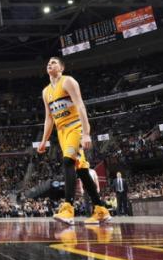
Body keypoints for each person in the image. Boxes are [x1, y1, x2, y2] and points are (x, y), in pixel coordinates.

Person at [38, 57, 111, 225]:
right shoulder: (45, 91)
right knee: (82, 171)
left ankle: (68, 209)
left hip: (75, 127)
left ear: (61, 68)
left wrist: (86, 133)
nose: (50, 64)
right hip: (62, 132)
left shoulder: (68, 81)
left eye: (54, 62)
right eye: (48, 63)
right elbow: (49, 118)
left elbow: (80, 105)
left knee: (67, 162)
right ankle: (100, 209)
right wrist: (43, 141)